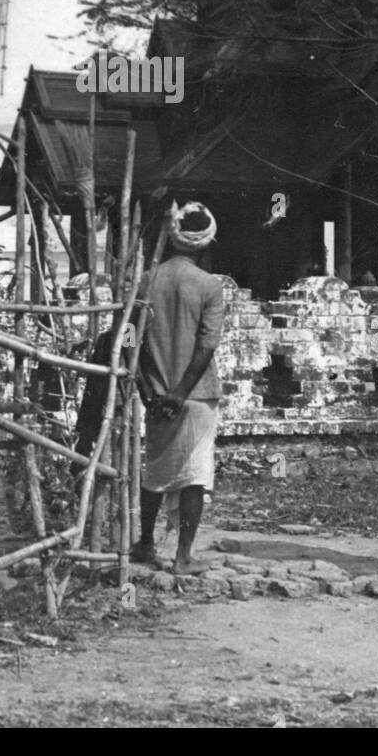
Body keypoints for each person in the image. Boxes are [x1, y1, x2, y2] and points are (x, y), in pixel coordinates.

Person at [131, 202, 225, 575]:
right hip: (196, 394)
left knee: (155, 470)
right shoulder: (209, 285)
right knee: (194, 476)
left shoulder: (146, 281)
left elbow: (130, 340)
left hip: (156, 394)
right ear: (205, 242)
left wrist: (148, 389)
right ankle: (183, 556)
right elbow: (206, 346)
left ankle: (145, 542)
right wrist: (182, 392)